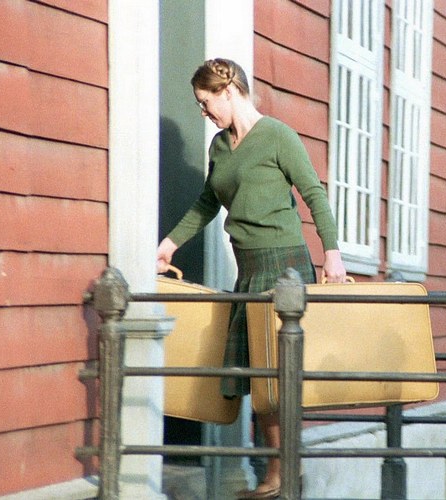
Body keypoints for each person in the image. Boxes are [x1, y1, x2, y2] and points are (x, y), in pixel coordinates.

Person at [156, 58, 346, 499]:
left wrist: (332, 255)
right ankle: (278, 473)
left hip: (285, 266)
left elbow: (314, 194)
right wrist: (168, 245)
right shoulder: (220, 147)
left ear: (229, 91)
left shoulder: (277, 136)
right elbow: (207, 202)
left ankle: (283, 473)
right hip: (249, 269)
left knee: (280, 373)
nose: (204, 112)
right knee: (261, 377)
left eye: (206, 102)